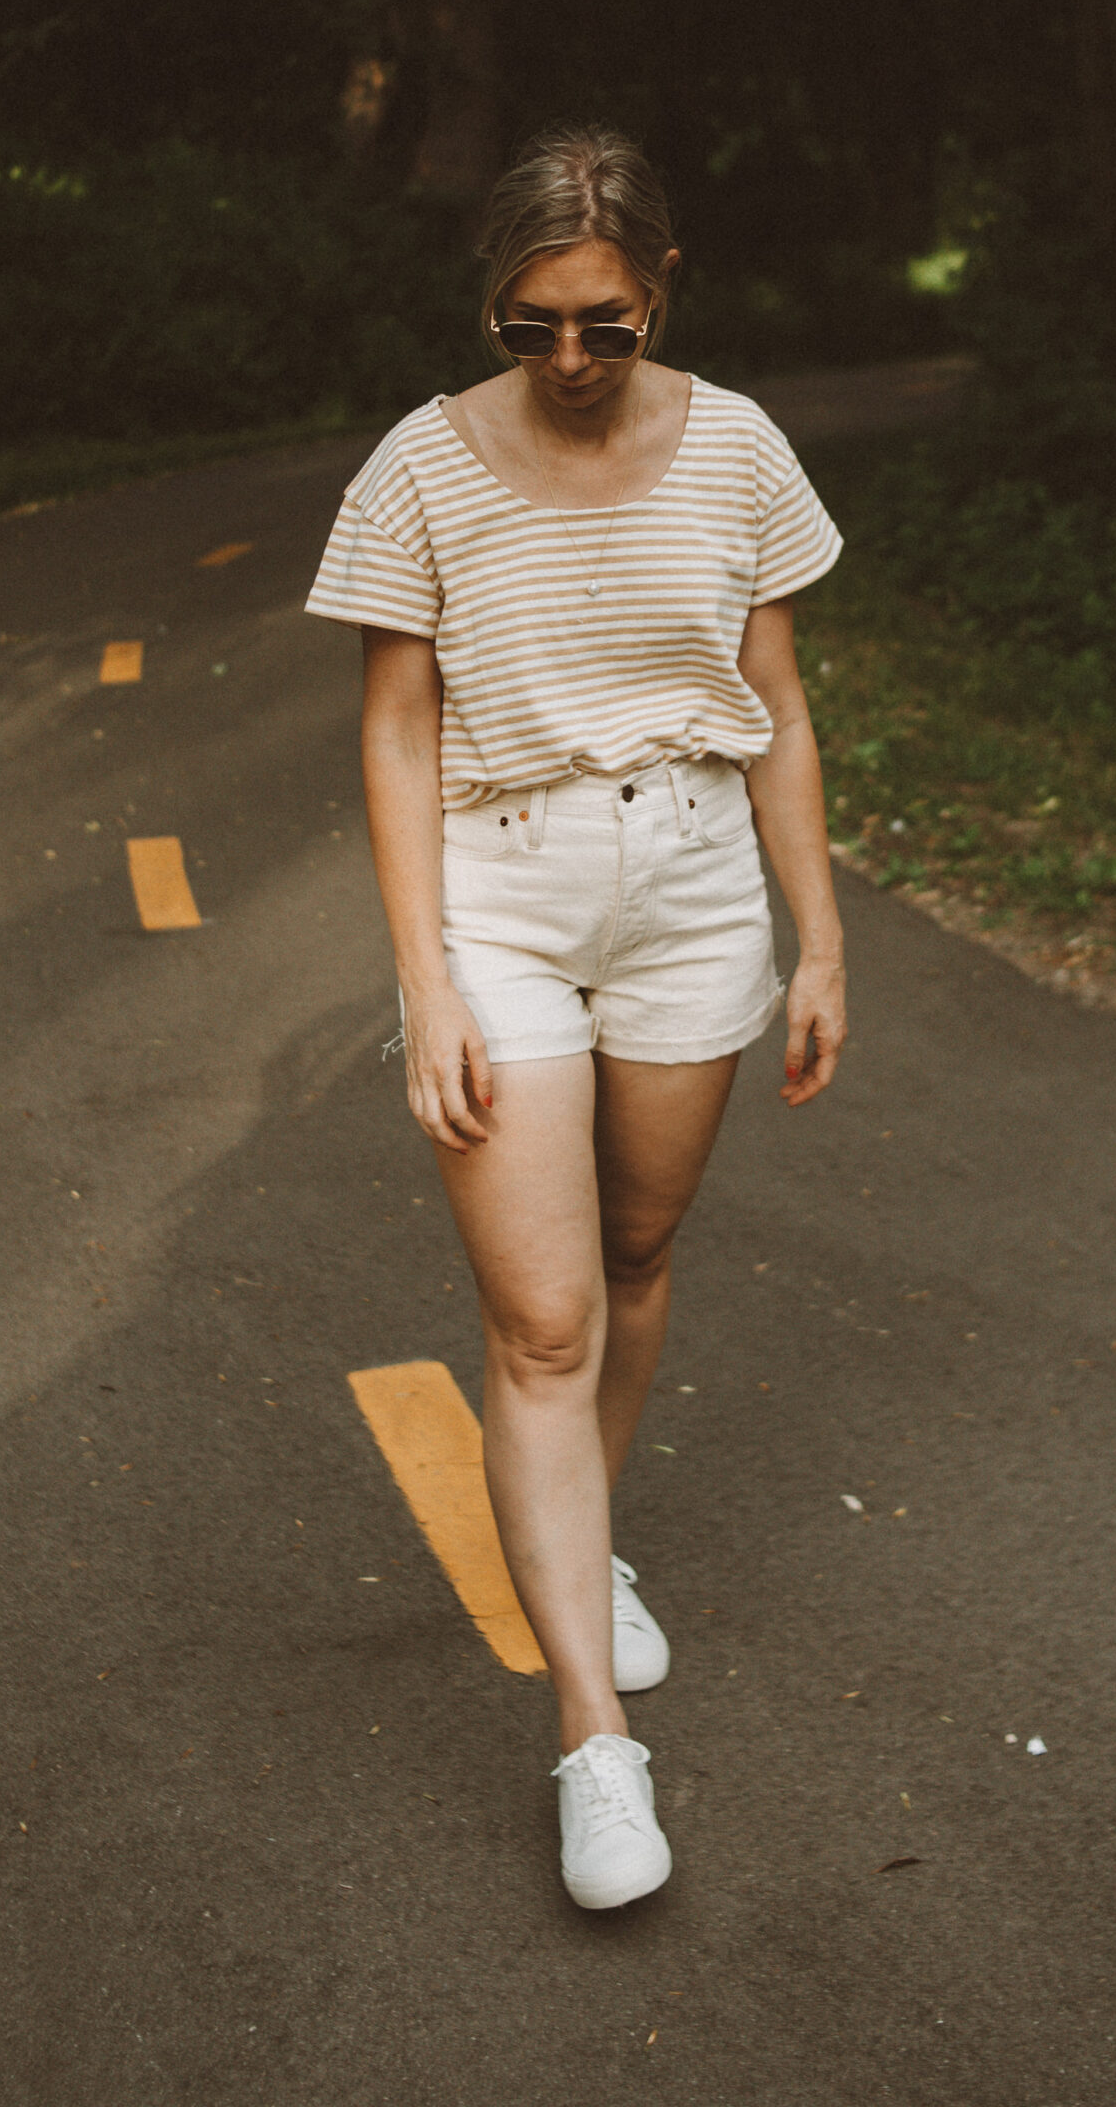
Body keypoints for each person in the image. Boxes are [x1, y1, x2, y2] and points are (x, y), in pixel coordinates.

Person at [306, 124, 846, 1909]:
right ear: (494, 306)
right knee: (541, 1320)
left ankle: (582, 1546)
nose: (566, 361)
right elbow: (395, 727)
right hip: (506, 894)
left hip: (694, 886)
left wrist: (819, 941)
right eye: (529, 323)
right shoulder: (422, 468)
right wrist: (426, 981)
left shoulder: (744, 447)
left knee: (632, 1253)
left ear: (659, 289)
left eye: (603, 325)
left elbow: (771, 690)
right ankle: (594, 1746)